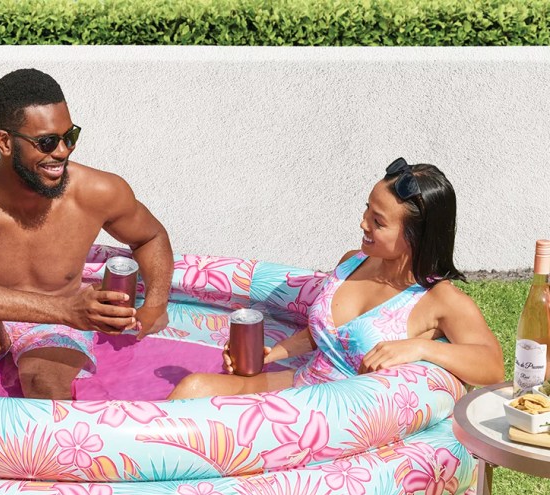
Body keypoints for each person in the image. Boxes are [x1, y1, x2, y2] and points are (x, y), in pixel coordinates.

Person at [0, 68, 173, 400]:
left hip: (57, 322)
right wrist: (66, 311)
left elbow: (149, 237)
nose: (64, 151)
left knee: (45, 381)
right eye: (47, 142)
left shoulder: (97, 191)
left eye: (70, 136)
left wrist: (155, 303)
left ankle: (58, 452)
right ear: (5, 142)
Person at [169, 158, 504, 400]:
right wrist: (270, 355)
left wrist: (420, 347)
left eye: (378, 221)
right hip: (300, 387)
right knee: (192, 387)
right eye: (366, 211)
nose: (363, 224)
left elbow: (492, 366)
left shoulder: (440, 301)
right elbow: (325, 337)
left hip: (336, 419)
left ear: (416, 236)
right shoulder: (351, 262)